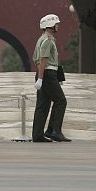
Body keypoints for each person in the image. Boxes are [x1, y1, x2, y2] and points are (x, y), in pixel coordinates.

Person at [32, 13, 71, 142]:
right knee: (61, 101)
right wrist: (41, 78)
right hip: (47, 74)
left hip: (44, 73)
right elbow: (43, 60)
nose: (58, 26)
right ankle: (55, 131)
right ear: (50, 25)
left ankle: (38, 134)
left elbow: (37, 60)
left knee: (43, 105)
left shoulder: (41, 39)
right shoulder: (48, 40)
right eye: (56, 24)